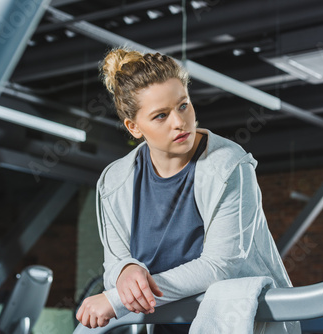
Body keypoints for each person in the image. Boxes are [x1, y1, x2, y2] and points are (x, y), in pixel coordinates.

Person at [76, 48, 301, 333]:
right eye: (160, 116)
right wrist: (126, 271)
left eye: (183, 105)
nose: (179, 122)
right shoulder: (114, 181)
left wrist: (116, 299)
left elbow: (221, 266)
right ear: (134, 127)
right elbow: (114, 266)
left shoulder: (229, 165)